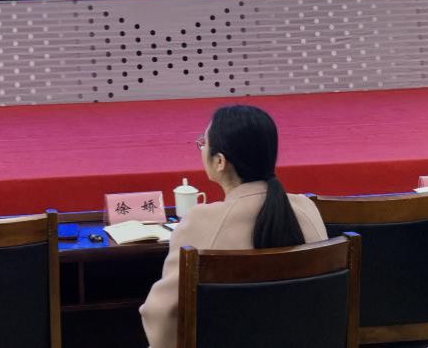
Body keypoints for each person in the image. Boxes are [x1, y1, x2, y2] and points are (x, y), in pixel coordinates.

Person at [139, 104, 328, 348]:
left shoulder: (200, 222)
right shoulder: (306, 208)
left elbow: (161, 314)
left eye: (203, 143)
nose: (201, 149)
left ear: (219, 161)